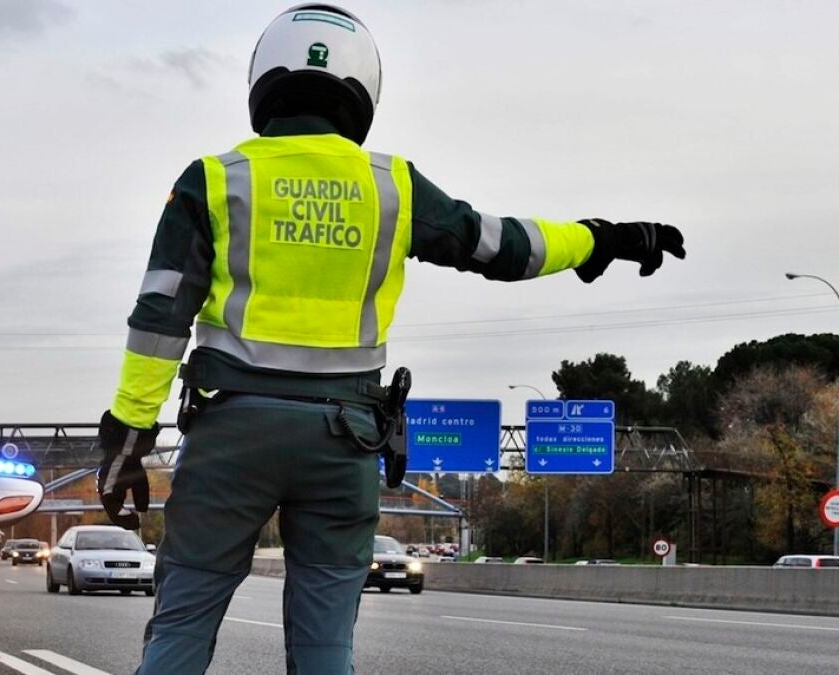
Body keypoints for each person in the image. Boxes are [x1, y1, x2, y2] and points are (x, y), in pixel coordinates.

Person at [95, 4, 685, 673]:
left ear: (263, 80)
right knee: (325, 644)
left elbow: (159, 318)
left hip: (231, 436)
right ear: (362, 89)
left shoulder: (214, 179)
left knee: (181, 624)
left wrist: (129, 435)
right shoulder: (392, 187)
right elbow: (500, 244)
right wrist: (599, 238)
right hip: (344, 441)